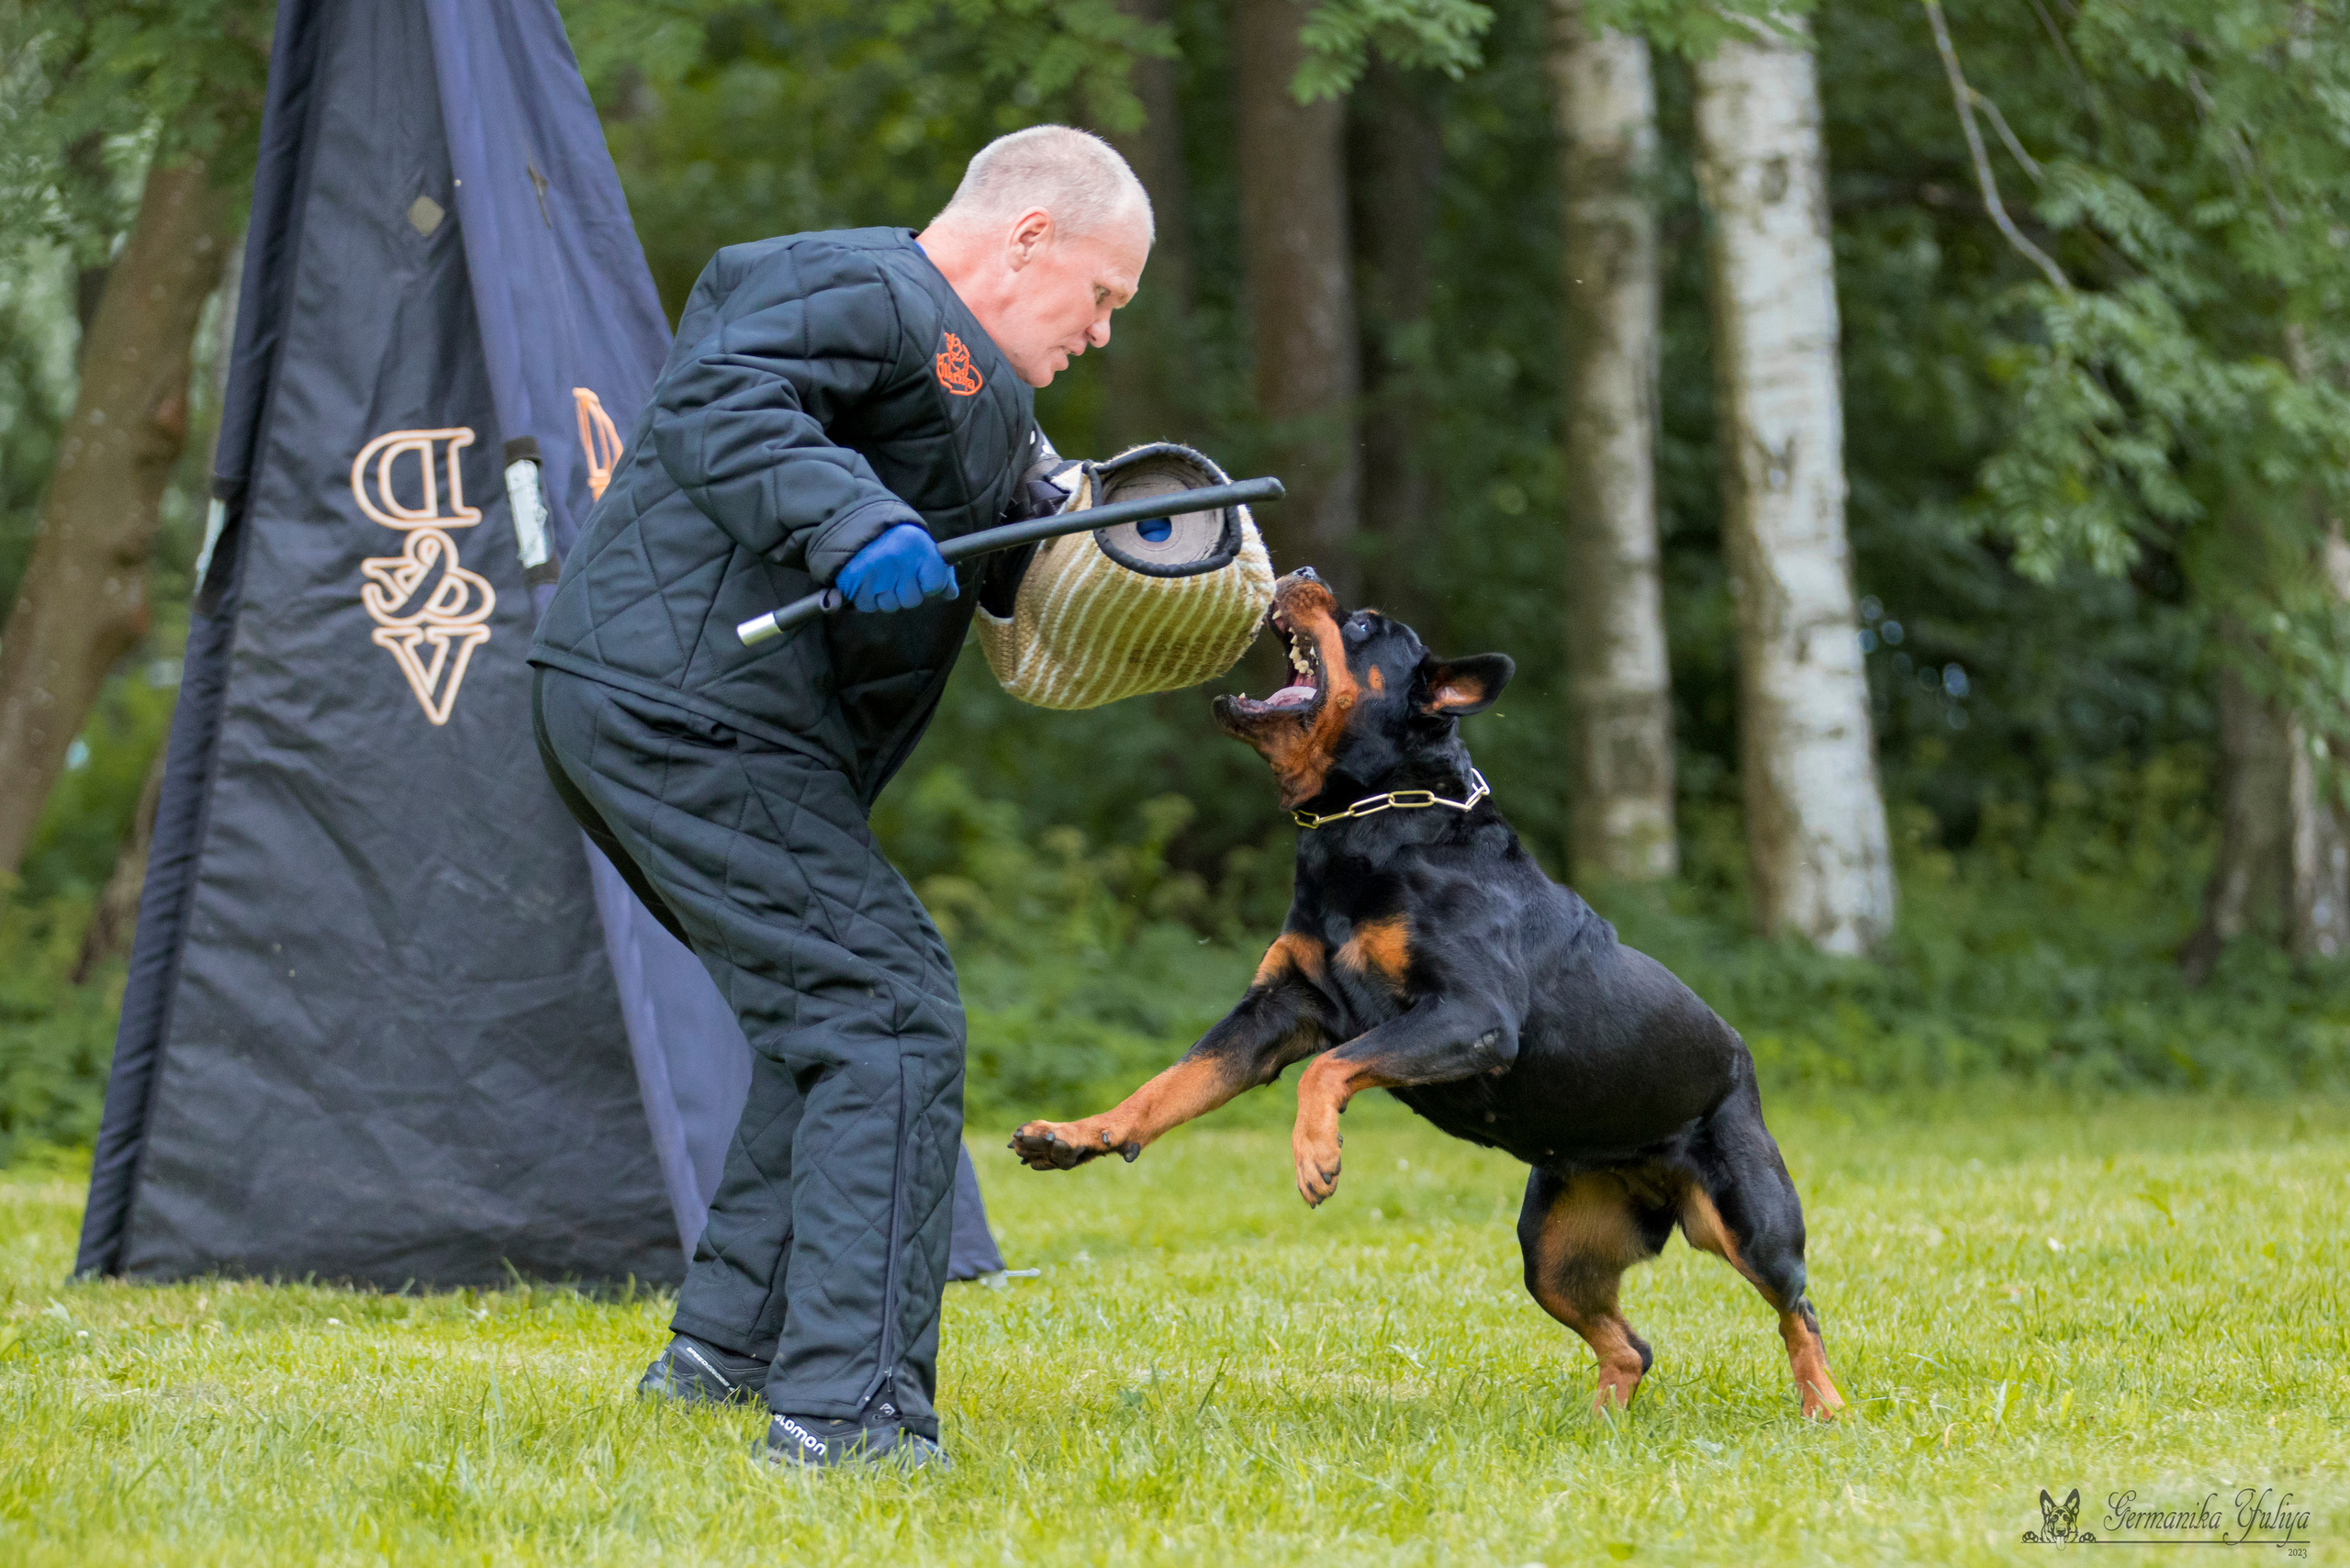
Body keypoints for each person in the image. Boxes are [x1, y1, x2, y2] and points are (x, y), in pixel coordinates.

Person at [528, 126, 1152, 1470]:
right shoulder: (862, 286)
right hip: (679, 700)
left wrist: (1183, 574)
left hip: (708, 720)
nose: (1101, 332)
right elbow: (718, 401)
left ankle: (727, 1358)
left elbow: (1054, 563)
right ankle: (846, 1416)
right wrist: (850, 520)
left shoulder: (997, 407)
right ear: (1032, 236)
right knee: (886, 1007)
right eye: (1103, 296)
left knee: (832, 1014)